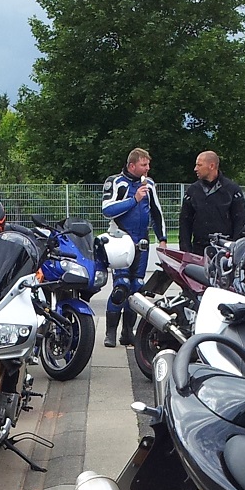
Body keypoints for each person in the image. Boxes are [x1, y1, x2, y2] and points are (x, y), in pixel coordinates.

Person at [100, 147, 167, 347]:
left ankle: (128, 332)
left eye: (148, 164)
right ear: (132, 165)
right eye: (144, 164)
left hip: (142, 241)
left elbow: (157, 213)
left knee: (137, 288)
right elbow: (107, 210)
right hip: (120, 240)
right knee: (121, 286)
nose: (147, 168)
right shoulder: (116, 182)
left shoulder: (150, 184)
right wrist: (134, 199)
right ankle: (110, 332)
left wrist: (162, 239)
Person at [178, 151, 245, 256]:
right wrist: (186, 252)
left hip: (225, 250)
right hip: (199, 250)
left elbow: (240, 221)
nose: (195, 169)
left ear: (211, 166)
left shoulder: (232, 190)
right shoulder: (192, 191)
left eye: (199, 165)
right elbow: (185, 223)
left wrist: (235, 250)